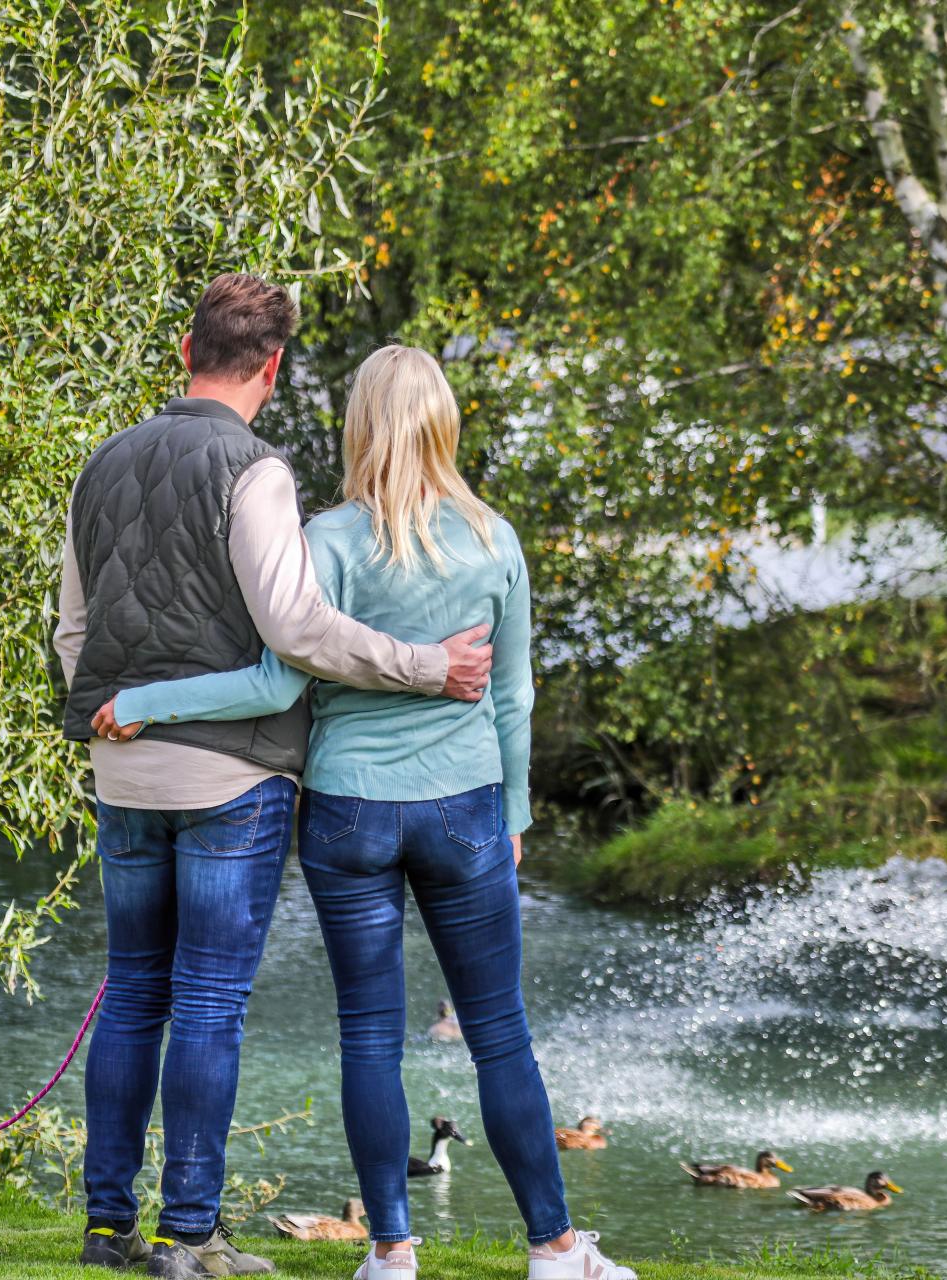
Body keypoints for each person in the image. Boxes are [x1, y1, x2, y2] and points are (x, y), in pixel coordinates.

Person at [94, 346, 636, 1280]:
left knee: (370, 1040)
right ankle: (554, 1249)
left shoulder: (331, 540)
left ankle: (390, 1251)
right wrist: (514, 814)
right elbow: (514, 696)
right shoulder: (493, 540)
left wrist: (148, 701)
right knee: (499, 1032)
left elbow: (273, 684)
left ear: (359, 428)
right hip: (464, 809)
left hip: (348, 814)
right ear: (444, 425)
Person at [53, 277, 496, 1279]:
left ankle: (107, 1225)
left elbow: (73, 633)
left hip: (121, 772)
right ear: (274, 367)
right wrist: (428, 666)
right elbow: (296, 629)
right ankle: (191, 1234)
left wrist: (117, 727)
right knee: (208, 1002)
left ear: (186, 349)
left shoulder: (101, 461)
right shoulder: (254, 472)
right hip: (232, 778)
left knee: (133, 995)